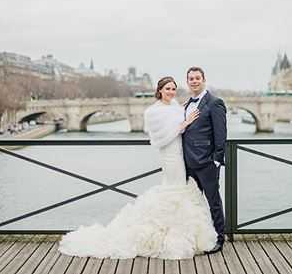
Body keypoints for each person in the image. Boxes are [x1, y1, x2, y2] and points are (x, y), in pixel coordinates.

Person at [59, 76, 217, 259]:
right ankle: (166, 236)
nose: (171, 92)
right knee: (174, 192)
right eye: (167, 89)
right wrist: (184, 124)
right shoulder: (152, 112)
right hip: (170, 156)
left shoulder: (175, 106)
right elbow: (158, 139)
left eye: (173, 89)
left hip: (182, 154)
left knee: (178, 192)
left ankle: (173, 232)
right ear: (159, 91)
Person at [182, 66, 227, 253]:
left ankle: (219, 238)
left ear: (203, 79)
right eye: (191, 78)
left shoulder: (215, 103)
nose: (194, 81)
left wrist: (217, 159)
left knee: (213, 201)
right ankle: (198, 237)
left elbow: (221, 133)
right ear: (187, 82)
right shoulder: (185, 105)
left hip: (207, 163)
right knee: (192, 203)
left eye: (197, 78)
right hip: (187, 163)